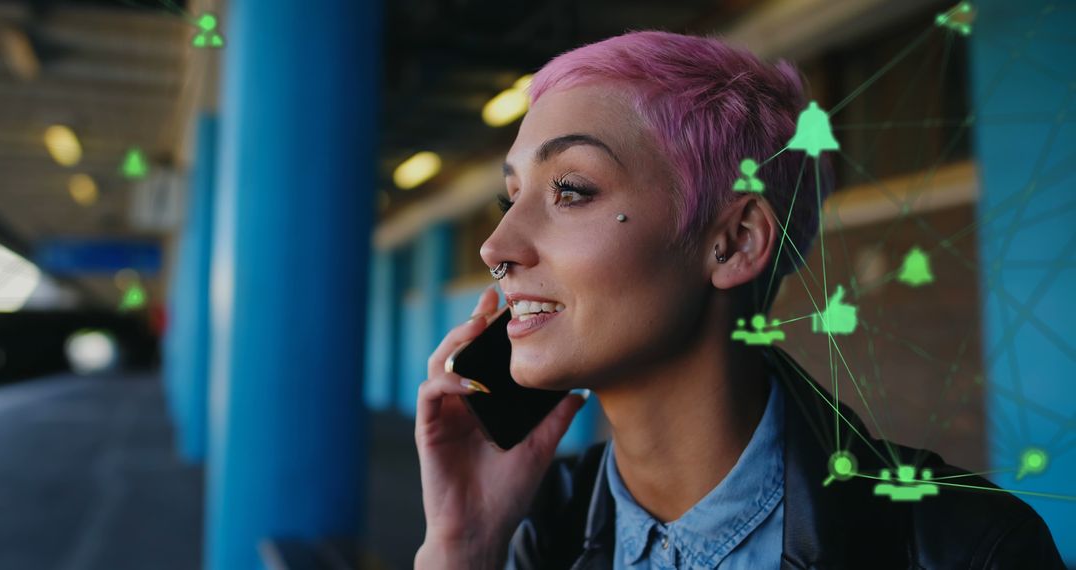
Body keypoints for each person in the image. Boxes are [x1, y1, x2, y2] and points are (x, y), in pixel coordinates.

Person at [413, 31, 1063, 569]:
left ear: (733, 242)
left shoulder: (976, 550)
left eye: (572, 189)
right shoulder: (536, 529)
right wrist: (463, 549)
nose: (496, 246)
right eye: (512, 197)